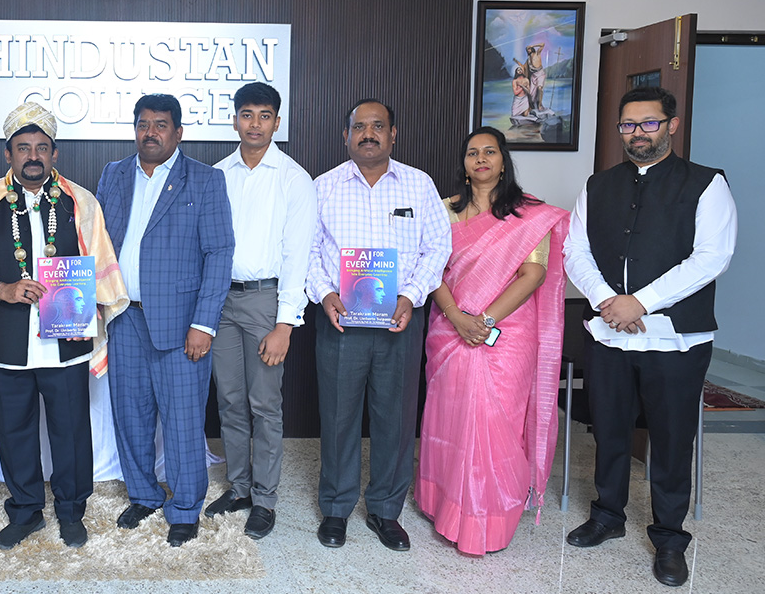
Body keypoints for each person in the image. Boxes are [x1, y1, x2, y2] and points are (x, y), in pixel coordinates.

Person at [563, 87, 737, 587]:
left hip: (675, 340)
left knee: (671, 439)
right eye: (628, 125)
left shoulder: (706, 183)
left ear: (671, 125)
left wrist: (640, 302)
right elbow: (575, 251)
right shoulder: (598, 185)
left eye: (648, 123)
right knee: (609, 431)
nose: (637, 133)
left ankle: (669, 538)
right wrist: (607, 301)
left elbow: (712, 257)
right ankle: (607, 516)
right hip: (609, 334)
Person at [0, 102, 128, 550]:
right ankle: (26, 511)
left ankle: (71, 510)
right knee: (14, 431)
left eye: (42, 148)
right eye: (23, 147)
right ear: (8, 153)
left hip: (67, 339)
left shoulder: (79, 202)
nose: (33, 156)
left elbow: (100, 265)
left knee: (71, 431)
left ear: (54, 153)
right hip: (6, 338)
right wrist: (1, 290)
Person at [416, 126, 569, 556]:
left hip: (507, 334)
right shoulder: (443, 211)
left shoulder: (529, 215)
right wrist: (457, 317)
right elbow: (430, 269)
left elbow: (533, 274)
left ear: (504, 161)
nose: (481, 158)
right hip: (450, 329)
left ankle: (489, 517)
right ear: (464, 165)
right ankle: (445, 505)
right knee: (451, 418)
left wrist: (483, 321)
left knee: (496, 420)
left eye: (490, 151)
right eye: (472, 153)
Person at [306, 98, 450, 552]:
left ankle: (386, 510)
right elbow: (306, 250)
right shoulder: (323, 186)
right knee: (338, 416)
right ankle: (336, 507)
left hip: (399, 321)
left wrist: (411, 295)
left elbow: (438, 247)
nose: (368, 134)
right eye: (359, 127)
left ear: (393, 134)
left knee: (395, 419)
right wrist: (324, 294)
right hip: (340, 321)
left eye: (378, 126)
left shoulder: (419, 185)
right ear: (345, 136)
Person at [96, 93, 234, 546]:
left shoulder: (205, 179)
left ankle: (185, 507)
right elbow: (97, 243)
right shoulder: (114, 174)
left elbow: (219, 254)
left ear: (178, 132)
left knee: (183, 420)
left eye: (160, 125)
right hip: (123, 318)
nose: (150, 132)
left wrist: (204, 324)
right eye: (143, 124)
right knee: (130, 415)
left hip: (181, 324)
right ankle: (143, 494)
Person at [205, 82, 316, 540]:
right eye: (247, 114)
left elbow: (298, 255)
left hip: (266, 301)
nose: (255, 124)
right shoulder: (217, 174)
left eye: (264, 115)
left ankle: (265, 499)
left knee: (264, 404)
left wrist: (285, 323)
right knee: (229, 401)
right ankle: (239, 488)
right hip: (220, 300)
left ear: (277, 122)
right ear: (234, 120)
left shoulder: (293, 178)